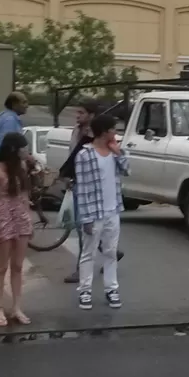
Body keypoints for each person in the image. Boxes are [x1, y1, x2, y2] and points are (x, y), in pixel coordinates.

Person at [60, 99, 124, 284]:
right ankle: (109, 251)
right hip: (79, 183)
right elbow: (73, 156)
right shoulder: (77, 131)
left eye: (81, 113)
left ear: (92, 116)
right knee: (87, 228)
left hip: (95, 189)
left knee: (85, 228)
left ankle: (82, 270)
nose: (77, 116)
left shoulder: (99, 138)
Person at [74, 114, 130, 310]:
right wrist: (86, 218)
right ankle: (85, 290)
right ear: (105, 132)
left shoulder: (115, 151)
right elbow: (82, 189)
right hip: (94, 212)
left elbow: (127, 170)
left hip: (113, 210)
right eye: (113, 129)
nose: (116, 133)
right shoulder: (84, 155)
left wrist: (118, 152)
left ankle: (111, 289)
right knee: (88, 253)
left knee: (111, 252)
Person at [0, 131, 35, 327]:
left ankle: (16, 307)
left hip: (21, 218)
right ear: (14, 149)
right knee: (1, 266)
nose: (26, 151)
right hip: (3, 219)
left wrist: (29, 221)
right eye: (23, 148)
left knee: (18, 266)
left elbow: (25, 196)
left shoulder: (22, 167)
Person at [0, 92, 28, 157]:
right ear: (14, 104)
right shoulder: (10, 120)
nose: (27, 106)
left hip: (0, 159)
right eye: (24, 102)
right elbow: (8, 146)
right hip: (7, 161)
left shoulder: (1, 115)